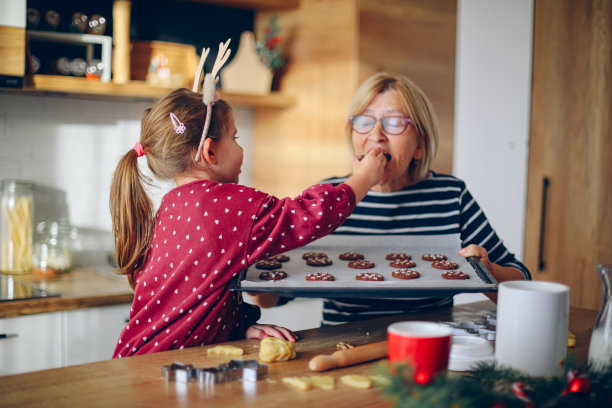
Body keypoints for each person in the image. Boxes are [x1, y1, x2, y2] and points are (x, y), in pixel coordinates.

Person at [108, 86, 386, 357]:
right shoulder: (227, 205)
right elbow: (309, 216)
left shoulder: (173, 205)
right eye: (235, 137)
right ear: (210, 152)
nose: (241, 148)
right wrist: (363, 178)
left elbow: (197, 295)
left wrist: (238, 328)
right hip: (160, 366)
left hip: (141, 357)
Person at [255, 72, 531, 326]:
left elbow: (521, 282)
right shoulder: (327, 197)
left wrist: (485, 271)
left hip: (428, 350)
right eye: (364, 122)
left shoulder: (450, 196)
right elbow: (273, 297)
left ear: (420, 146)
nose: (376, 136)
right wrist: (257, 268)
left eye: (395, 123)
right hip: (341, 349)